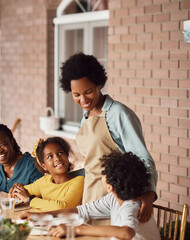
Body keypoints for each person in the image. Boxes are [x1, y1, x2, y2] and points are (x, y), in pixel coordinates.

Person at [59, 53, 158, 223]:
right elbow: (92, 162)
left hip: (116, 200)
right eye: (76, 94)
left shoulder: (119, 114)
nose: (83, 99)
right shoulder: (86, 116)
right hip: (91, 197)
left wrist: (149, 194)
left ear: (99, 83)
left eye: (88, 92)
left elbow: (142, 158)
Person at [49, 151, 160, 240]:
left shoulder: (132, 205)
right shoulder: (113, 198)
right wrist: (41, 215)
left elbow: (127, 233)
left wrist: (76, 230)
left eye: (104, 174)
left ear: (109, 187)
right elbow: (82, 211)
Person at [9, 137, 84, 211]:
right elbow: (22, 192)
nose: (57, 158)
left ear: (67, 156)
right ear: (44, 166)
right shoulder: (45, 181)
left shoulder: (79, 181)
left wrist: (30, 200)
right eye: (50, 156)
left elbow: (63, 207)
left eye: (60, 153)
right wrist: (16, 189)